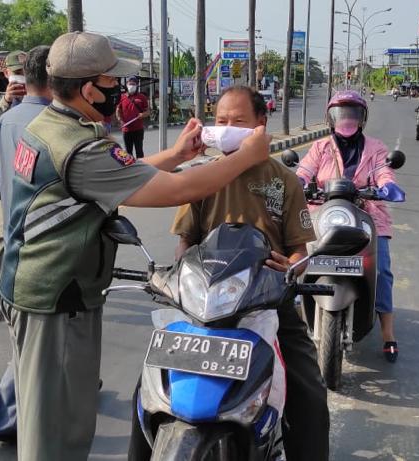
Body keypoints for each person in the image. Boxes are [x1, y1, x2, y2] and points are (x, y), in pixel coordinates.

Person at [0, 31, 271, 461]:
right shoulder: (78, 147)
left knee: (50, 420)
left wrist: (177, 154)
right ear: (89, 89)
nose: (120, 91)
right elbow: (178, 190)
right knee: (56, 433)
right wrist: (246, 156)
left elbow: (121, 171)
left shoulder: (53, 127)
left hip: (37, 290)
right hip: (57, 300)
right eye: (112, 83)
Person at [130, 85, 327, 460]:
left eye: (238, 121)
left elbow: (300, 251)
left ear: (261, 123)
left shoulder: (283, 180)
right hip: (203, 307)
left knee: (309, 393)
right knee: (149, 390)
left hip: (266, 304)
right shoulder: (203, 177)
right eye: (220, 121)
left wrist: (291, 268)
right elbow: (186, 242)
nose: (227, 128)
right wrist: (178, 278)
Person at [0, 45, 53, 444]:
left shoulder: (9, 120)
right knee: (37, 344)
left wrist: (13, 197)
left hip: (17, 242)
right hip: (47, 256)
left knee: (28, 341)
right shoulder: (59, 123)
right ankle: (9, 418)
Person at [296, 90, 403, 363]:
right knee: (297, 261)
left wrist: (387, 185)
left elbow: (383, 171)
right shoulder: (320, 147)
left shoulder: (375, 148)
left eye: (353, 113)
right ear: (331, 118)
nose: (347, 119)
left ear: (362, 118)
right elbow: (305, 169)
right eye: (341, 113)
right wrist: (298, 182)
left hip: (366, 215)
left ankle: (388, 333)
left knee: (381, 270)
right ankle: (293, 314)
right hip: (325, 213)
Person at [0, 46, 54, 322]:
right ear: (6, 74)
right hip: (8, 179)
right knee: (4, 236)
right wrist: (6, 102)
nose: (21, 79)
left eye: (24, 73)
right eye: (16, 73)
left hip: (35, 180)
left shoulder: (49, 105)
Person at [0, 50, 29, 136]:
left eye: (27, 73)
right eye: (18, 73)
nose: (23, 77)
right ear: (6, 73)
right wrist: (6, 101)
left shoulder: (39, 99)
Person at [116, 76, 150, 158]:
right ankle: (130, 166)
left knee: (139, 151)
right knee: (128, 152)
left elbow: (148, 111)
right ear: (127, 85)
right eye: (130, 84)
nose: (131, 86)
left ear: (137, 85)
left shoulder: (142, 97)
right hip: (126, 129)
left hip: (138, 129)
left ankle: (141, 165)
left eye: (134, 84)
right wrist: (120, 120)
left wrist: (143, 114)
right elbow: (118, 110)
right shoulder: (122, 97)